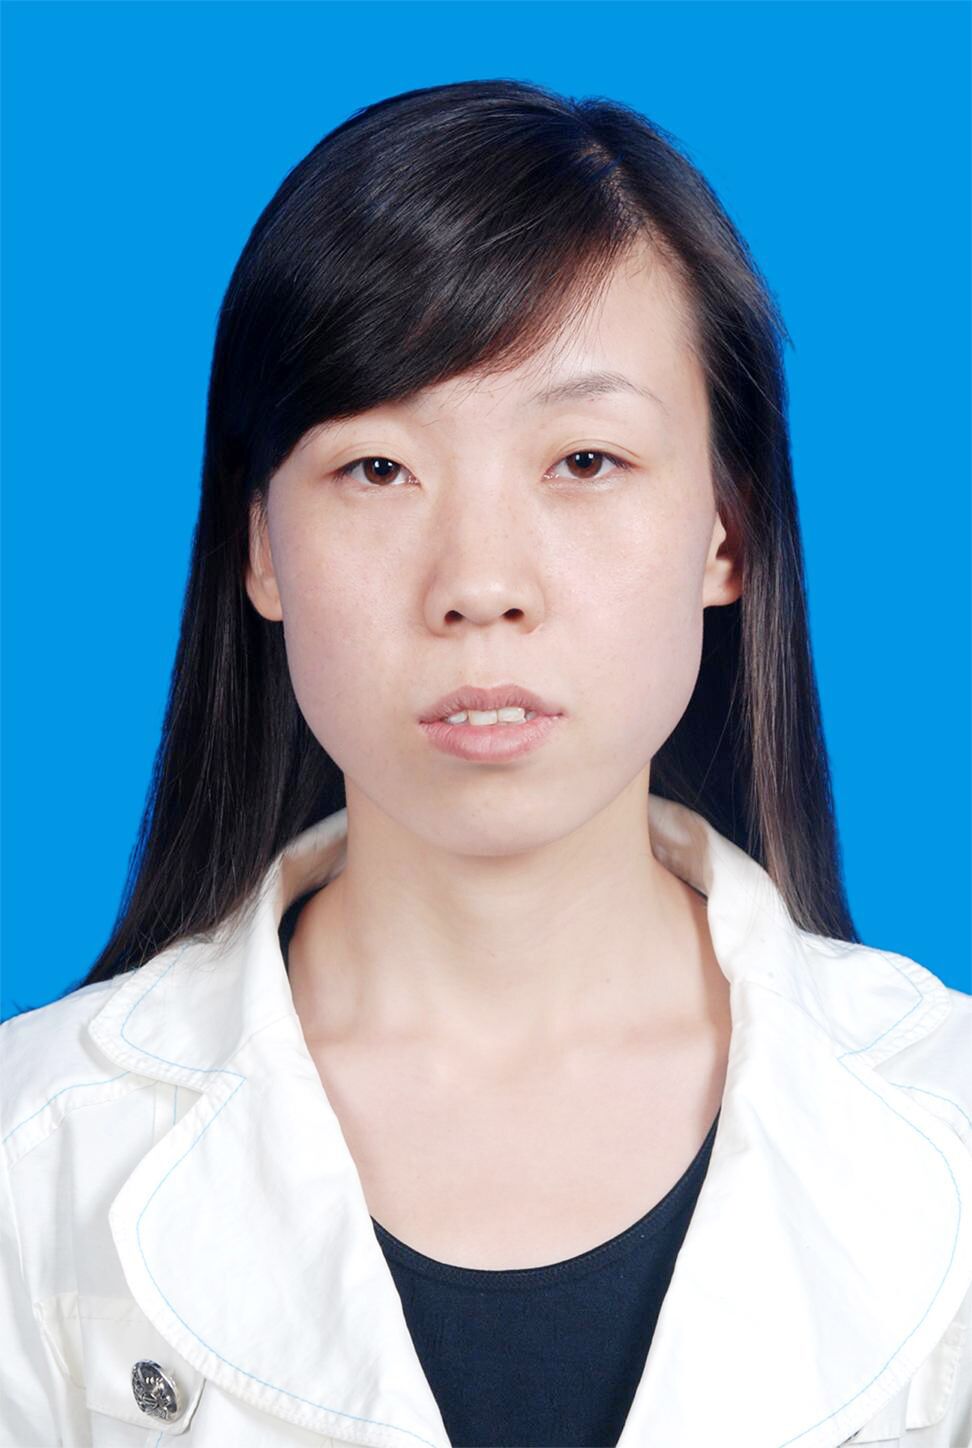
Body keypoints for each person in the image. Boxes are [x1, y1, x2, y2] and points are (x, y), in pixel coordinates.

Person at [1, 78, 969, 1448]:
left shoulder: (948, 1122)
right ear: (261, 548)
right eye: (377, 470)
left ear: (726, 534)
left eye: (584, 459)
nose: (479, 584)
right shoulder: (35, 1161)